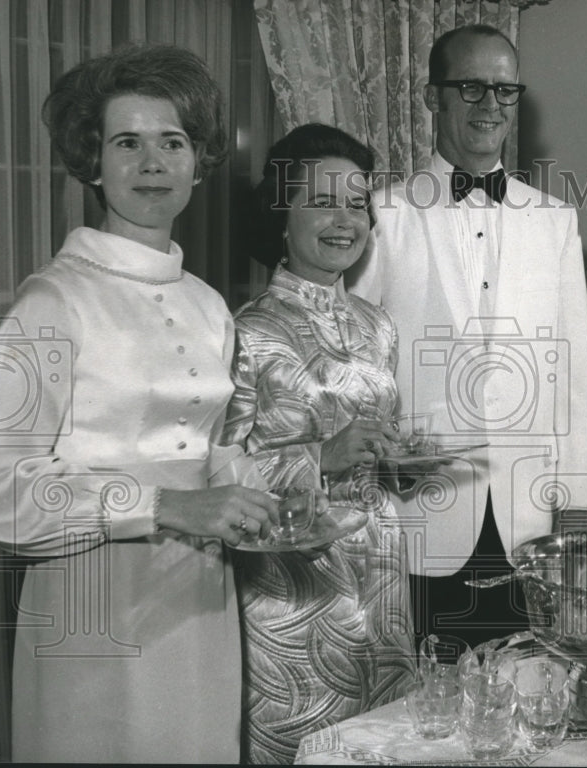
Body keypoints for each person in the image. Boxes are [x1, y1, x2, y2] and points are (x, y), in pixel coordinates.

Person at [0, 45, 279, 763]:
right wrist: (162, 508)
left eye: (172, 142)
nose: (152, 162)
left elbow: (203, 450)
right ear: (92, 161)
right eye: (128, 142)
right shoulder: (52, 302)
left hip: (200, 598)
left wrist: (264, 500)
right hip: (92, 603)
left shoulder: (209, 304)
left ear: (198, 161)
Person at [347, 24, 587, 649]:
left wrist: (577, 504)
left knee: (526, 693)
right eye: (471, 87)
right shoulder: (381, 214)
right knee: (424, 707)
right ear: (433, 97)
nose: (490, 106)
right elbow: (354, 366)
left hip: (530, 518)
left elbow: (573, 376)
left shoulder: (556, 220)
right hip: (418, 514)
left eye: (504, 90)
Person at [222, 123, 416, 764]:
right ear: (282, 214)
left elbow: (381, 434)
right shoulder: (243, 333)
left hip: (382, 569)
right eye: (323, 201)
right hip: (291, 591)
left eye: (357, 203)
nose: (345, 220)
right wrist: (318, 459)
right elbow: (215, 476)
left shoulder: (376, 326)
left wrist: (398, 451)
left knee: (391, 738)